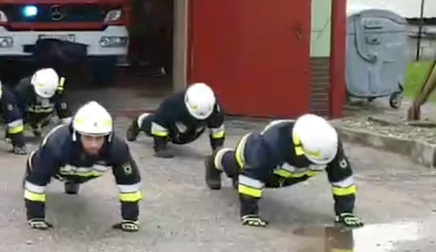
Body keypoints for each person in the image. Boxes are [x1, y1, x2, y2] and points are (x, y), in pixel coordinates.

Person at [205, 114, 361, 229]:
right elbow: (251, 177)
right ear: (299, 146)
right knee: (236, 167)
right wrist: (249, 213)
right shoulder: (269, 144)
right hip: (252, 157)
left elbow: (343, 180)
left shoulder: (328, 145)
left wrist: (345, 212)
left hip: (289, 173)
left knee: (249, 181)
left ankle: (239, 180)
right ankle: (214, 159)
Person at [22, 101, 143, 232]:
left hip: (89, 170)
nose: (94, 144)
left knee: (82, 172)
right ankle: (65, 177)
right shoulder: (55, 145)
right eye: (88, 137)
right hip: (60, 168)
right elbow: (36, 184)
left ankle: (73, 181)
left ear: (108, 136)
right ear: (76, 135)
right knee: (38, 168)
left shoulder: (118, 148)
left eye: (99, 138)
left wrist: (130, 219)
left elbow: (129, 184)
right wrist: (36, 217)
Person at [127, 82, 225, 158]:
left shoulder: (215, 108)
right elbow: (159, 125)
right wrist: (160, 148)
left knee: (186, 136)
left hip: (190, 131)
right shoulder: (172, 103)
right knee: (152, 124)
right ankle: (139, 121)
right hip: (171, 126)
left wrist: (217, 150)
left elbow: (218, 131)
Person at [6, 67, 72, 148]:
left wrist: (72, 136)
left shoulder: (58, 90)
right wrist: (15, 138)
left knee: (48, 112)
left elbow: (65, 114)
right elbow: (14, 114)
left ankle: (37, 124)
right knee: (19, 114)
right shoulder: (22, 88)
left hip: (44, 114)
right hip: (26, 111)